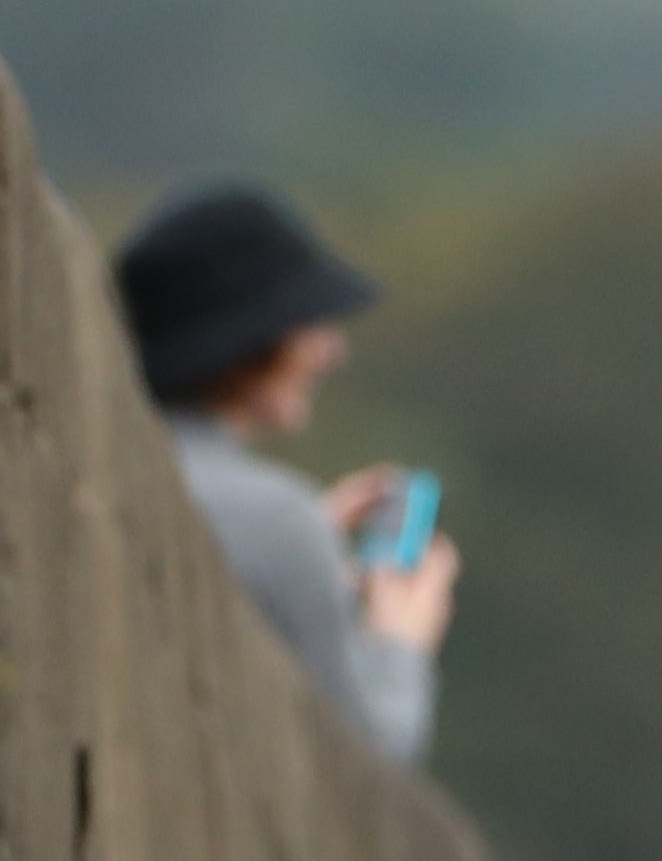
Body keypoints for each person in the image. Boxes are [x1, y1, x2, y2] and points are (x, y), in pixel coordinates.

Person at [113, 182, 460, 765]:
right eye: (311, 325)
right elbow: (368, 755)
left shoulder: (127, 461)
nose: (332, 353)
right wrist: (401, 638)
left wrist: (312, 534)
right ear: (254, 341)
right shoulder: (273, 517)